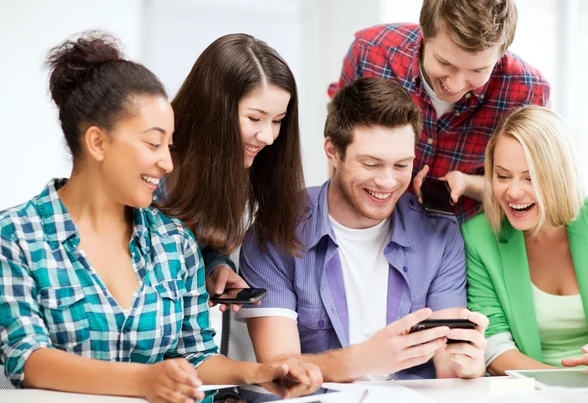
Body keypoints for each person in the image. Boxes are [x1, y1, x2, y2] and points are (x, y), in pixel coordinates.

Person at [0, 31, 321, 402]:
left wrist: (264, 372)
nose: (168, 162)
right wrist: (143, 381)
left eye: (169, 145)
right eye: (154, 144)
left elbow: (195, 356)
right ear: (98, 142)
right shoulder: (17, 236)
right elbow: (28, 359)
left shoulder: (174, 241)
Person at [238, 77, 489, 382]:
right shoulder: (275, 231)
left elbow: (447, 366)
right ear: (332, 151)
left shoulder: (440, 235)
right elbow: (278, 370)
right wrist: (366, 359)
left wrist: (467, 365)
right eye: (371, 164)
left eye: (401, 166)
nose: (387, 182)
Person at [328, 0, 550, 223]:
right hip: (371, 224)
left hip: (467, 234)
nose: (454, 85)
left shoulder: (528, 91)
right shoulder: (370, 52)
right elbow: (340, 145)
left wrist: (466, 183)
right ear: (424, 33)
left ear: (501, 53)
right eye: (445, 63)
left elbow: (536, 187)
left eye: (477, 71)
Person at [157, 33, 305, 311]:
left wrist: (215, 268)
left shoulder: (237, 167)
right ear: (214, 108)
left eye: (278, 121)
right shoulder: (152, 171)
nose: (268, 137)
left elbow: (201, 249)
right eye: (254, 118)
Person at [462, 105, 588, 375]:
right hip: (530, 392)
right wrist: (566, 385)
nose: (513, 192)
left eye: (531, 178)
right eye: (502, 176)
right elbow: (495, 348)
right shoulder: (479, 237)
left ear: (558, 176)